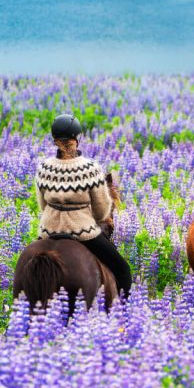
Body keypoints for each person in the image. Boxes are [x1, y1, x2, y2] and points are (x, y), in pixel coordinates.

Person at [35, 113, 132, 297]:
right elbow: (102, 210)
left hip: (48, 230)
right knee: (123, 270)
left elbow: (42, 205)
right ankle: (123, 312)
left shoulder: (44, 168)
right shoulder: (90, 168)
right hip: (83, 231)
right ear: (76, 140)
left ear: (55, 140)